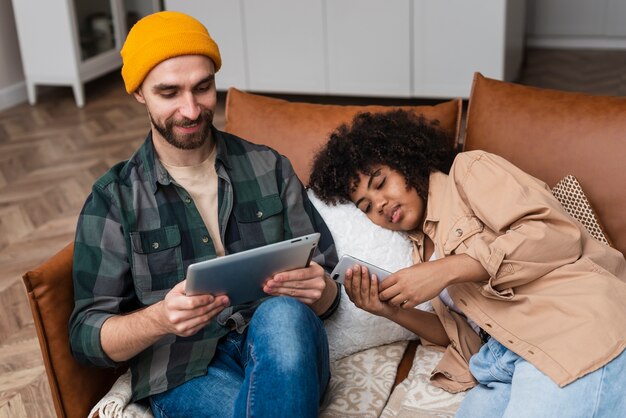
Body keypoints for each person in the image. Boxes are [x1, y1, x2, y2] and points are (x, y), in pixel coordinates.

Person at [69, 11, 339, 418]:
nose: (192, 110)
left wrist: (322, 292)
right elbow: (86, 336)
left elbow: (328, 288)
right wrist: (160, 318)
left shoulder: (270, 167)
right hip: (183, 370)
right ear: (140, 93)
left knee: (283, 313)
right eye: (169, 93)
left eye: (203, 88)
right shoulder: (115, 199)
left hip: (283, 348)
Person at [309, 109, 626, 417]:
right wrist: (389, 310)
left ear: (406, 162)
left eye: (380, 183)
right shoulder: (419, 253)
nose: (379, 204)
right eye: (366, 206)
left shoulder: (469, 173)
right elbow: (462, 336)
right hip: (500, 361)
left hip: (567, 327)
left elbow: (554, 235)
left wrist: (445, 270)